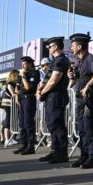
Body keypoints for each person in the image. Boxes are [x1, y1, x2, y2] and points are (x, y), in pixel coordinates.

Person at [69, 33, 93, 169]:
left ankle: (92, 157)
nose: (71, 48)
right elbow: (80, 79)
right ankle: (84, 155)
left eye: (73, 45)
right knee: (82, 128)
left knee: (89, 128)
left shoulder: (90, 58)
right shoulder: (81, 61)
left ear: (79, 46)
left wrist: (89, 85)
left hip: (88, 99)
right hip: (80, 99)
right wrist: (72, 77)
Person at [36, 36, 71, 164]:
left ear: (55, 47)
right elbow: (47, 80)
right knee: (52, 125)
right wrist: (41, 90)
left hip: (56, 96)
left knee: (57, 125)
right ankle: (55, 151)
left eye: (50, 46)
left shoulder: (60, 61)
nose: (48, 48)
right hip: (52, 96)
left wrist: (42, 92)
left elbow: (53, 81)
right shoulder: (55, 60)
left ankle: (62, 153)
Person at [14, 56, 40, 155]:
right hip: (21, 99)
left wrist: (24, 77)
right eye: (22, 64)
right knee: (22, 123)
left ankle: (30, 146)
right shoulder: (20, 75)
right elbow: (17, 89)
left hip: (29, 99)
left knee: (28, 123)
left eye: (25, 64)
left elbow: (28, 87)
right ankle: (23, 144)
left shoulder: (34, 73)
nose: (23, 66)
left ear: (30, 64)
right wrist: (17, 96)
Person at [1, 70, 20, 146]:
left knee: (14, 121)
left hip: (14, 104)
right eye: (17, 75)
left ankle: (12, 138)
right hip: (8, 104)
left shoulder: (16, 84)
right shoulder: (10, 84)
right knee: (8, 121)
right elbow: (13, 94)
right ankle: (6, 139)